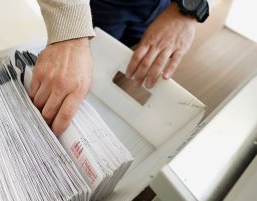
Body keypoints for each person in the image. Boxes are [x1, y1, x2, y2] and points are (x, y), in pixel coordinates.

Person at [29, 0, 209, 136]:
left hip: (163, 8)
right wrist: (71, 35)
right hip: (103, 6)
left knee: (117, 69)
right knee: (77, 76)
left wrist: (188, 9)